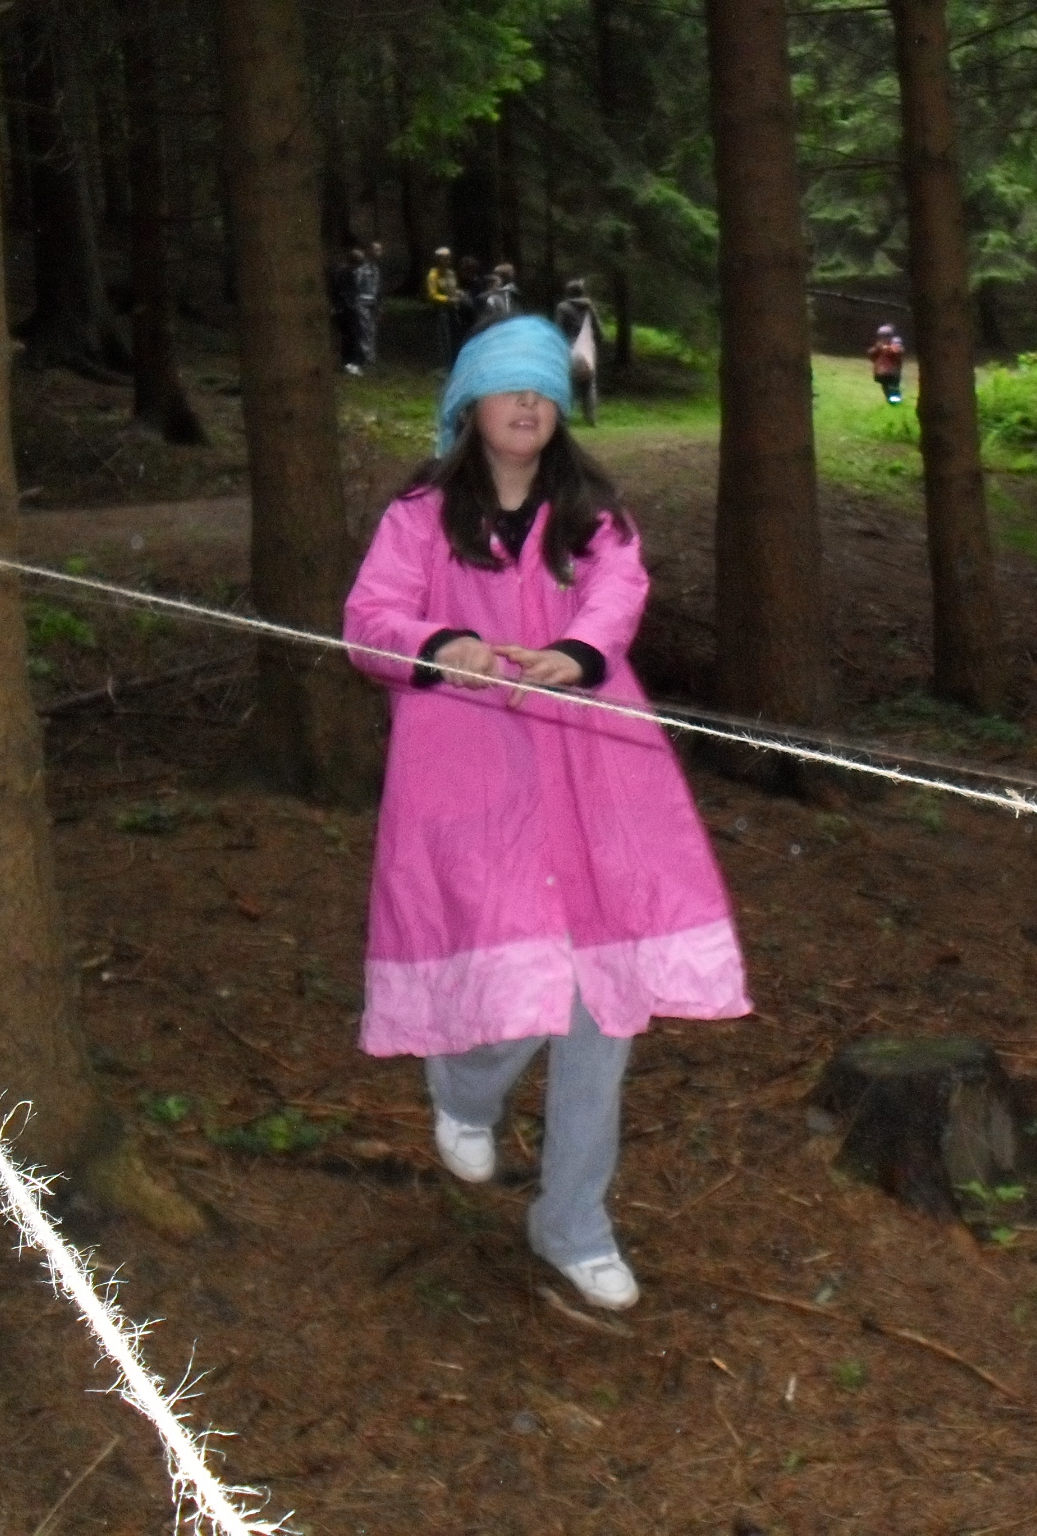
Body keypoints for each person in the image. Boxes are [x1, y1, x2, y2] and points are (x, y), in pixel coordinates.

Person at [343, 316, 751, 1312]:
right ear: (469, 404)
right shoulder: (421, 514)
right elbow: (370, 618)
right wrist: (440, 642)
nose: (527, 404)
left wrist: (575, 652)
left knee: (600, 999)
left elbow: (617, 594)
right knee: (518, 968)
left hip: (595, 773)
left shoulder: (592, 516)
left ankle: (573, 1221)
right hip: (470, 774)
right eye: (507, 386)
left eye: (543, 390)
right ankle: (464, 1087)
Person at [554, 278, 602, 426]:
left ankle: (564, 417)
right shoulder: (589, 307)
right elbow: (598, 330)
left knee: (567, 383)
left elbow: (559, 328)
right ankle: (591, 418)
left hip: (569, 346)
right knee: (589, 383)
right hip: (587, 346)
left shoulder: (562, 307)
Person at [331, 243, 367, 374]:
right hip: (348, 309)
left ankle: (348, 362)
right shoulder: (347, 273)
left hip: (343, 308)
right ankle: (352, 363)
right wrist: (350, 306)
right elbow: (347, 292)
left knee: (349, 336)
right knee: (354, 336)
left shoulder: (340, 271)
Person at [426, 247, 461, 365]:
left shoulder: (451, 273)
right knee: (444, 336)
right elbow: (432, 295)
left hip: (453, 308)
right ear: (438, 259)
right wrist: (447, 299)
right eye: (444, 258)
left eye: (448, 258)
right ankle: (445, 362)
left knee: (455, 334)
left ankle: (455, 359)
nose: (447, 260)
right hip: (441, 309)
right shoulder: (433, 275)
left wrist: (457, 293)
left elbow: (454, 288)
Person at [354, 240, 385, 368]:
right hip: (362, 302)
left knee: (372, 330)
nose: (379, 253)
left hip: (373, 303)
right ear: (369, 251)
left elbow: (377, 288)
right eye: (376, 250)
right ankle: (364, 357)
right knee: (364, 330)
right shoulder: (362, 268)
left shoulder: (376, 269)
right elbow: (356, 285)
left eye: (380, 250)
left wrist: (379, 305)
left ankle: (370, 357)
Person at [869, 323, 905, 404]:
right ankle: (891, 401)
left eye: (885, 336)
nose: (883, 338)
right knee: (886, 387)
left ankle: (895, 402)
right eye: (882, 336)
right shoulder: (878, 346)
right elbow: (872, 355)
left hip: (892, 372)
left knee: (893, 387)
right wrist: (877, 349)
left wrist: (887, 348)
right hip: (883, 372)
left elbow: (897, 352)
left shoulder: (895, 343)